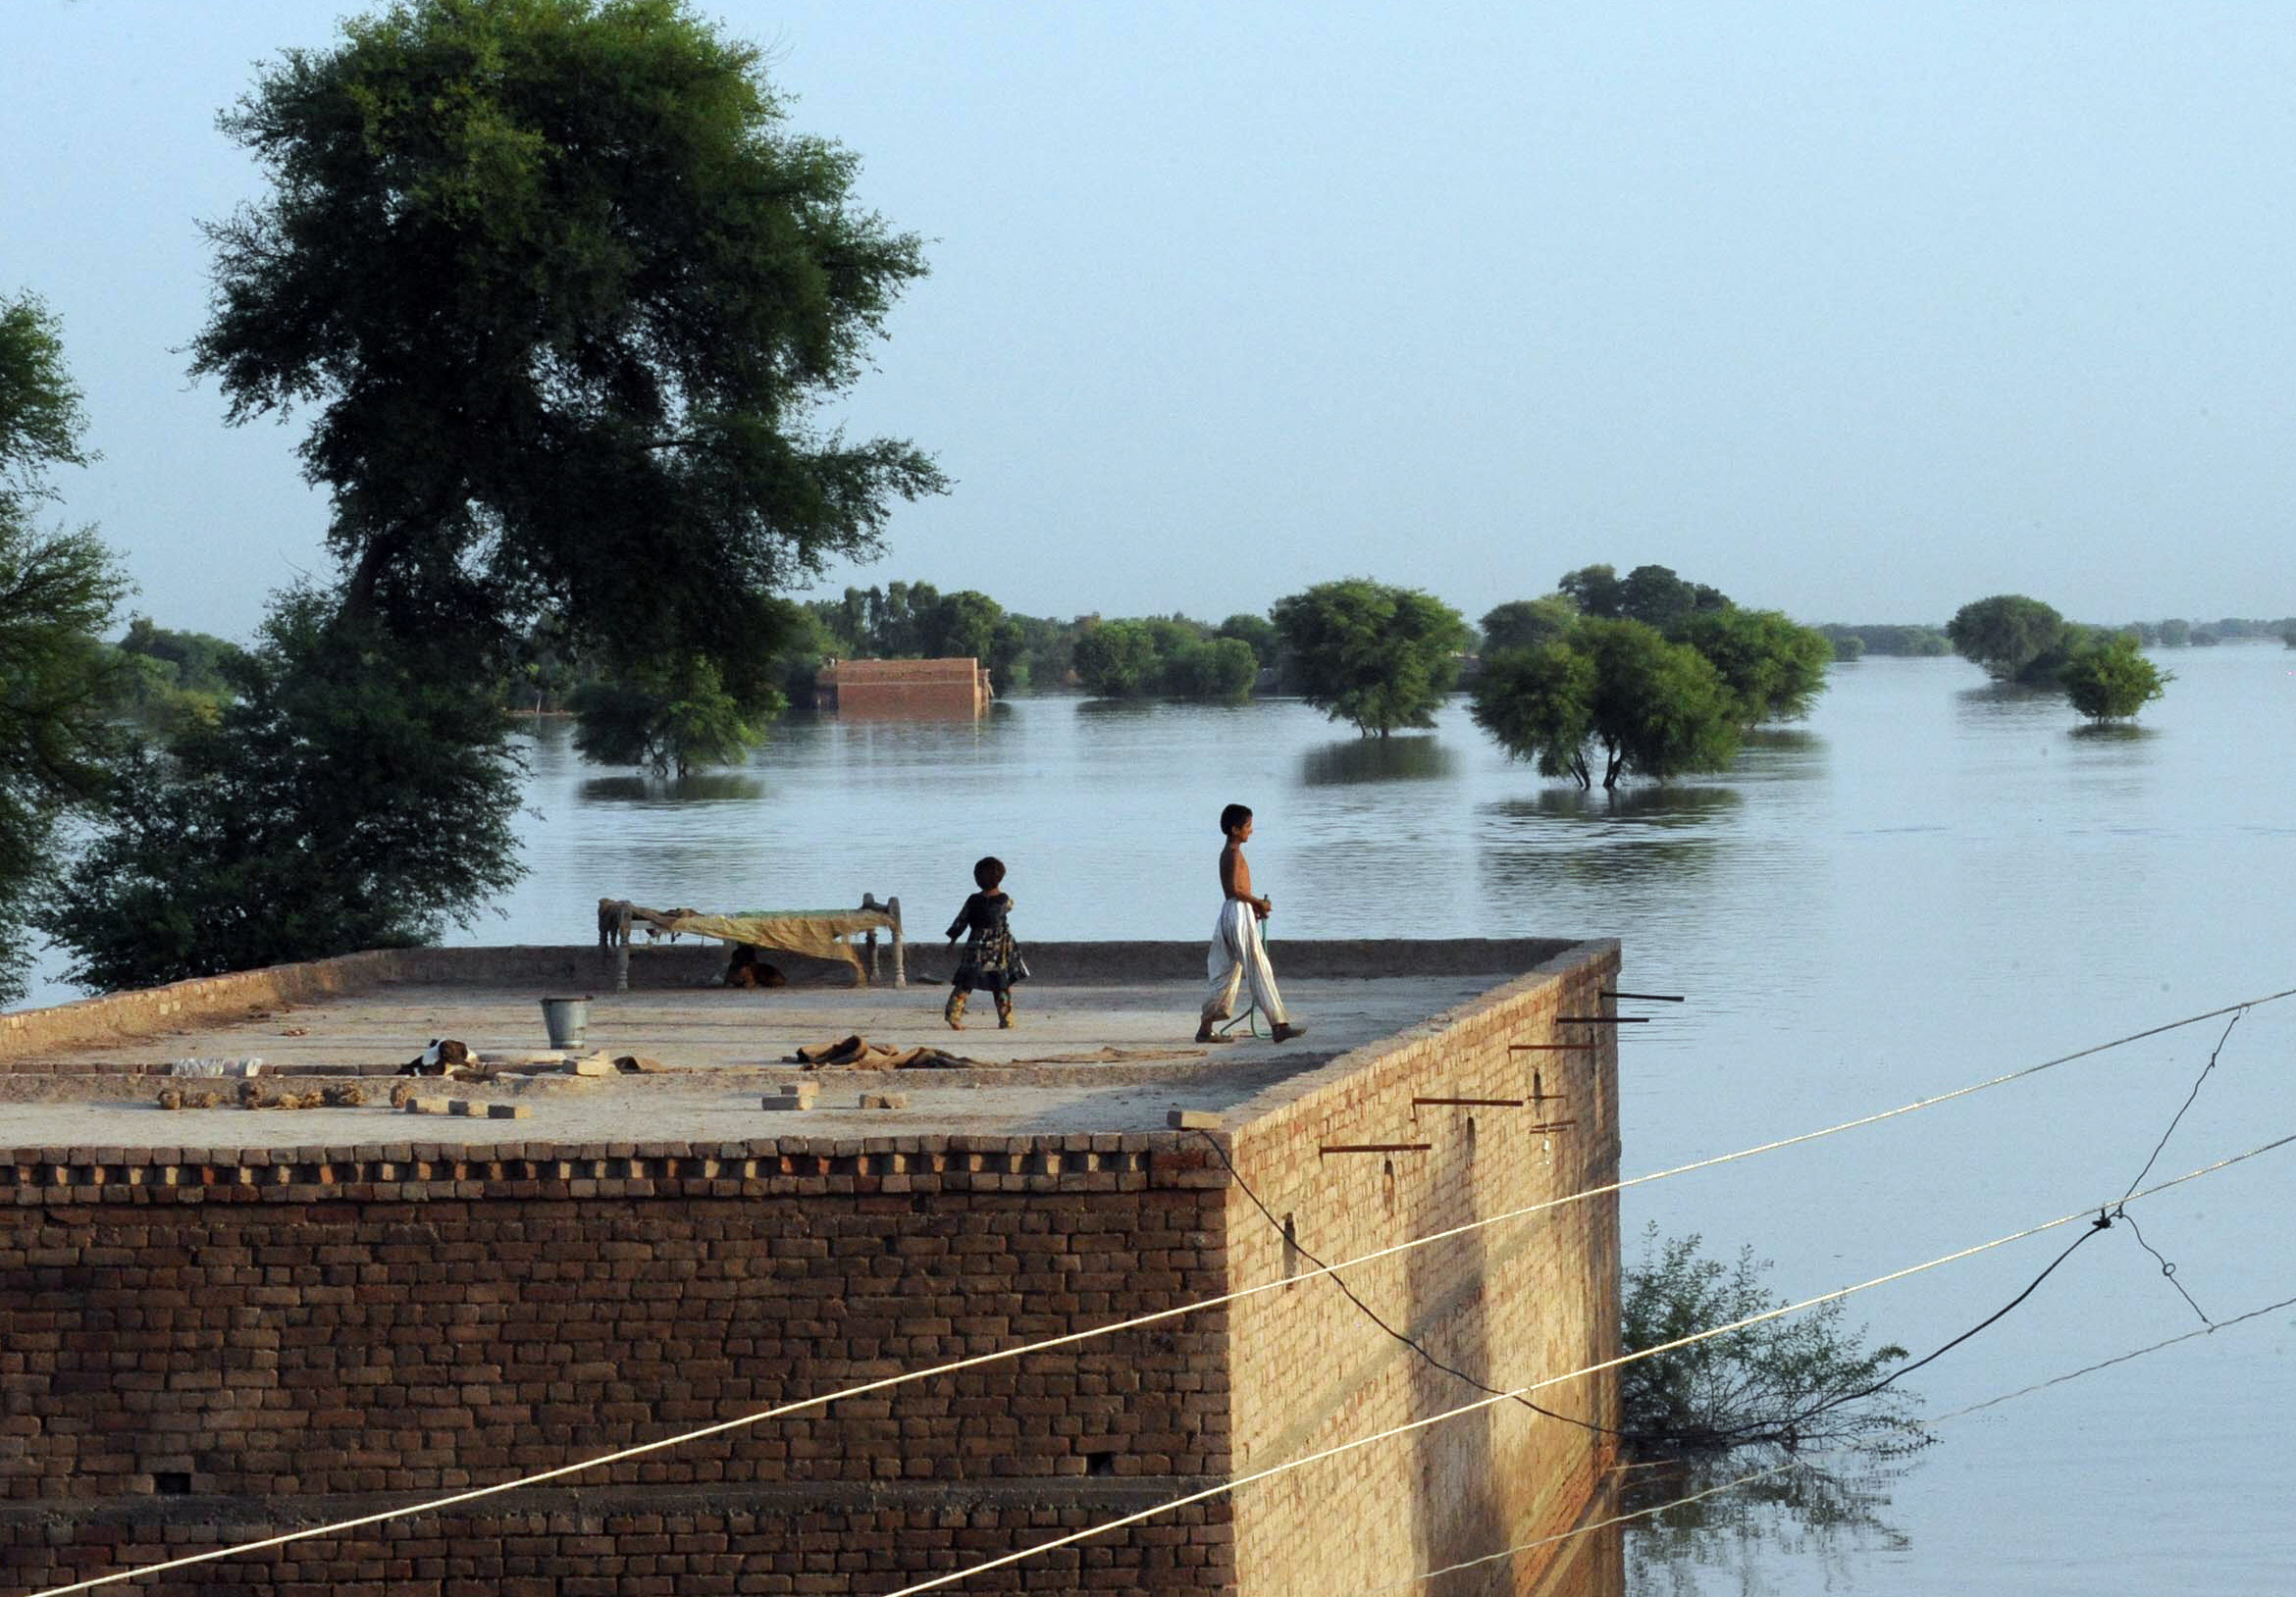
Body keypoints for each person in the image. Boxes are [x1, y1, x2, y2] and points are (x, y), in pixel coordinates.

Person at [1198, 803, 1305, 1044]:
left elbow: (1235, 891)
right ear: (1235, 829)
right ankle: (1279, 1025)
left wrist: (1253, 907)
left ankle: (1205, 1028)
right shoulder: (1233, 853)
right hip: (1237, 911)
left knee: (1225, 973)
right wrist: (1258, 903)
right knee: (1258, 966)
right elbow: (1235, 889)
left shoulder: (1229, 851)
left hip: (1232, 912)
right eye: (1248, 826)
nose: (1251, 831)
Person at [944, 855, 1026, 1028]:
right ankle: (1006, 1019)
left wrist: (952, 938)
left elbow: (961, 921)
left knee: (965, 983)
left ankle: (953, 1014)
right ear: (1000, 878)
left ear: (977, 879)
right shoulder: (1003, 899)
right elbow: (1010, 905)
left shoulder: (973, 900)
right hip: (998, 951)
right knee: (1002, 985)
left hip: (975, 948)